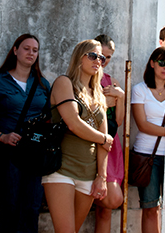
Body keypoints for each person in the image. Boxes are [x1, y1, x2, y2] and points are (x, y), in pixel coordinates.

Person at [42, 40, 114, 233]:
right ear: (79, 57)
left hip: (89, 174)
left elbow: (105, 141)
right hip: (61, 169)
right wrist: (103, 139)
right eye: (92, 55)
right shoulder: (63, 83)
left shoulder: (99, 94)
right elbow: (73, 123)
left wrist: (102, 177)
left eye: (101, 57)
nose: (97, 60)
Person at [0, 34, 50, 233]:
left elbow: (50, 118)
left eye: (35, 50)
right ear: (15, 50)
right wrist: (1, 136)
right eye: (26, 48)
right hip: (9, 154)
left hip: (35, 153)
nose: (31, 53)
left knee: (32, 206)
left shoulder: (42, 84)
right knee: (10, 205)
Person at [131, 47, 165, 233]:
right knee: (150, 208)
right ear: (152, 64)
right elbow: (143, 125)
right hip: (147, 156)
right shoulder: (140, 90)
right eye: (162, 62)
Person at [92, 35, 124, 233]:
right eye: (101, 55)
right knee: (105, 199)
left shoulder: (112, 81)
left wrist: (120, 96)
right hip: (90, 143)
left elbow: (118, 122)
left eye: (109, 57)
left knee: (107, 207)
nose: (104, 61)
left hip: (111, 146)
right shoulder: (83, 78)